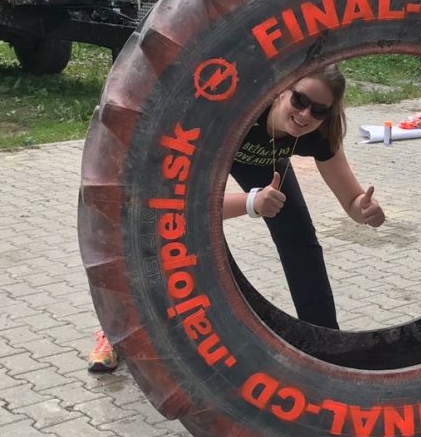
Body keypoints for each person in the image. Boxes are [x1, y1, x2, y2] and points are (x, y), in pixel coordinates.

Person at [87, 64, 384, 370]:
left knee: (300, 241)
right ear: (282, 88)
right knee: (163, 237)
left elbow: (352, 201)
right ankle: (114, 330)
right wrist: (251, 202)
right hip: (209, 147)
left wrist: (364, 210)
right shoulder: (235, 110)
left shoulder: (319, 134)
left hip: (264, 162)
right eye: (300, 100)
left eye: (319, 110)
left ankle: (327, 347)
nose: (306, 115)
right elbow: (186, 208)